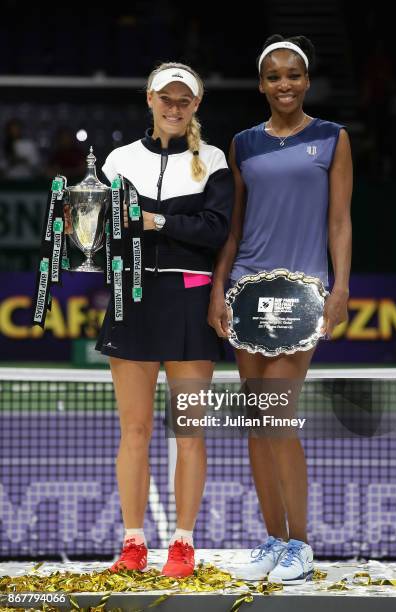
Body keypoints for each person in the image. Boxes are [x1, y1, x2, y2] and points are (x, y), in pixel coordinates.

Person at [208, 34, 352, 584]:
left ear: (307, 80)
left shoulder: (332, 139)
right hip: (246, 287)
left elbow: (339, 221)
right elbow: (234, 225)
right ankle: (273, 537)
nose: (284, 84)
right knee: (257, 421)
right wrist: (219, 287)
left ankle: (301, 543)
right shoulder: (242, 144)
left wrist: (339, 290)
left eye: (293, 75)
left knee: (279, 417)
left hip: (304, 292)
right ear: (262, 83)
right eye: (273, 76)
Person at [78, 62, 233, 577]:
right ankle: (133, 543)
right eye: (165, 98)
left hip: (190, 299)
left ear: (195, 105)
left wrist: (154, 221)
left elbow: (214, 230)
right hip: (132, 302)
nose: (174, 106)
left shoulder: (211, 159)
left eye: (183, 100)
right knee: (135, 430)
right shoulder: (119, 161)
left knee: (188, 431)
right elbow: (99, 229)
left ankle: (183, 544)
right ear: (149, 99)